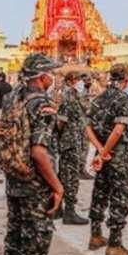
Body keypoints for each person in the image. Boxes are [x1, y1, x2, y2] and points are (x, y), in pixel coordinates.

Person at [1, 53, 64, 255]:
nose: (53, 77)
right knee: (33, 247)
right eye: (51, 73)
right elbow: (39, 151)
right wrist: (57, 186)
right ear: (41, 76)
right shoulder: (42, 105)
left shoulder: (13, 99)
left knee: (15, 240)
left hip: (15, 179)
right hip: (34, 186)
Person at [86, 63, 128, 255]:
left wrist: (99, 151)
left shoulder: (99, 98)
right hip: (116, 155)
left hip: (102, 152)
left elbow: (87, 127)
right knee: (121, 196)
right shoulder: (123, 99)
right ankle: (115, 245)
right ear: (126, 80)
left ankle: (95, 234)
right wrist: (106, 152)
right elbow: (118, 130)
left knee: (100, 192)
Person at [56, 71, 89, 225]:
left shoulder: (75, 96)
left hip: (74, 140)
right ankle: (69, 212)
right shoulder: (68, 97)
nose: (80, 82)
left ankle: (57, 208)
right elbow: (61, 122)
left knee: (64, 175)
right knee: (70, 177)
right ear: (70, 81)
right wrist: (64, 137)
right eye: (77, 79)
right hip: (70, 143)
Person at [76, 73, 95, 180]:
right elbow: (85, 107)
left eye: (90, 80)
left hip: (83, 122)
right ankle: (80, 169)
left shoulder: (84, 90)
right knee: (83, 147)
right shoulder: (81, 91)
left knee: (84, 147)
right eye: (87, 80)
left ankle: (81, 168)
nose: (89, 82)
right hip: (81, 123)